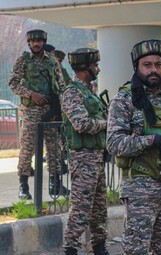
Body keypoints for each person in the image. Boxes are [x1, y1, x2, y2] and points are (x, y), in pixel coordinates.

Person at [106, 39, 161, 255]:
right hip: (140, 191)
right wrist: (152, 140)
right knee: (137, 250)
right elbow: (114, 144)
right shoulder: (123, 100)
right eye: (147, 65)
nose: (154, 70)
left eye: (158, 65)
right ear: (137, 67)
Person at [61, 48, 109, 255]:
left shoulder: (89, 91)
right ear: (85, 67)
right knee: (81, 207)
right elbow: (81, 124)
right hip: (83, 158)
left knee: (99, 208)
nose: (97, 69)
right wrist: (107, 124)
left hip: (96, 157)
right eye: (95, 65)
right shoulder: (72, 92)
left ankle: (99, 246)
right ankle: (70, 248)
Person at [8, 29, 67, 199]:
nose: (36, 44)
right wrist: (31, 94)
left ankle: (55, 185)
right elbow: (13, 84)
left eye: (39, 41)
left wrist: (61, 106)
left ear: (43, 42)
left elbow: (61, 85)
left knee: (54, 148)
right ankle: (23, 187)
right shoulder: (23, 60)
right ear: (29, 43)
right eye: (33, 41)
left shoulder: (53, 61)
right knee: (27, 148)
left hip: (50, 110)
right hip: (31, 111)